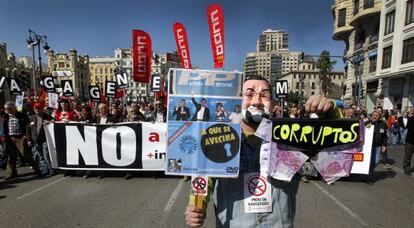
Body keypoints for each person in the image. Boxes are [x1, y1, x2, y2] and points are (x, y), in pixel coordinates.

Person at [185, 75, 340, 227]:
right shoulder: (219, 140)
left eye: (264, 95)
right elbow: (203, 178)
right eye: (249, 94)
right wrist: (196, 206)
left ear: (272, 103)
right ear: (239, 100)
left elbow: (333, 164)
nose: (257, 101)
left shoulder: (292, 141)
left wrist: (330, 114)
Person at [3, 102, 40, 180]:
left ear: (13, 108)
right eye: (6, 109)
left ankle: (36, 169)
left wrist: (26, 136)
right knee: (11, 156)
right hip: (10, 138)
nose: (7, 110)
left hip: (20, 137)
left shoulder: (21, 115)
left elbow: (27, 126)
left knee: (26, 154)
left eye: (9, 109)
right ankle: (12, 173)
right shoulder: (5, 117)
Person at [26, 102, 54, 176]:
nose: (36, 110)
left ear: (42, 109)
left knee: (46, 155)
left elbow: (54, 122)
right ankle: (45, 170)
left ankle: (51, 170)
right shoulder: (31, 117)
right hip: (35, 140)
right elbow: (28, 129)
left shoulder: (47, 117)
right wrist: (29, 139)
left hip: (45, 140)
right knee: (41, 156)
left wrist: (50, 122)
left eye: (38, 108)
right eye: (35, 108)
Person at [365, 110, 391, 183]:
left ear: (379, 116)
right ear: (371, 115)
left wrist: (384, 145)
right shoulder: (367, 123)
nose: (375, 116)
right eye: (374, 115)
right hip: (368, 146)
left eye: (377, 115)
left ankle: (369, 171)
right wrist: (366, 128)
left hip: (378, 146)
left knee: (376, 161)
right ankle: (368, 176)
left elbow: (385, 136)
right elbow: (361, 132)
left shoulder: (383, 124)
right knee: (369, 161)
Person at [403, 108, 414, 175]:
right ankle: (406, 168)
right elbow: (410, 129)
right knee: (408, 156)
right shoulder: (411, 119)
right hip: (410, 141)